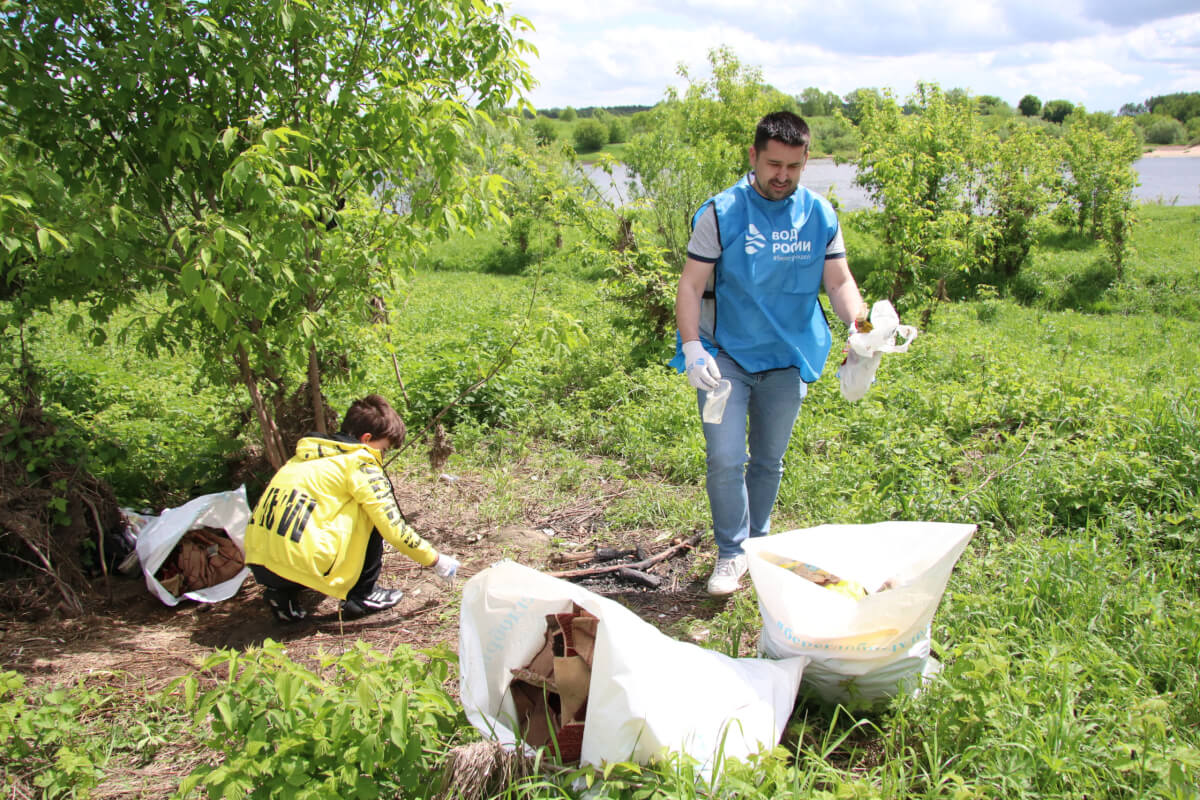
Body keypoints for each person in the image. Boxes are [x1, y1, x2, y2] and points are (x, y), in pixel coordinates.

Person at [672, 111, 868, 596]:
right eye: (773, 164)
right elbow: (692, 285)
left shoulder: (818, 215)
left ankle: (756, 548)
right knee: (724, 457)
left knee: (768, 460)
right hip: (725, 358)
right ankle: (730, 553)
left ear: (805, 163)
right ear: (754, 156)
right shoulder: (720, 213)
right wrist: (693, 346)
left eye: (794, 167)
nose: (782, 176)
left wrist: (861, 326)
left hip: (788, 355)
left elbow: (839, 280)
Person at [244, 394, 461, 622]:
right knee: (373, 513)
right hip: (303, 563)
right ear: (367, 438)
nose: (382, 455)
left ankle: (282, 595)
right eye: (384, 449)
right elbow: (393, 528)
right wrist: (436, 560)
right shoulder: (359, 463)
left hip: (259, 563)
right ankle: (363, 595)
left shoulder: (304, 457)